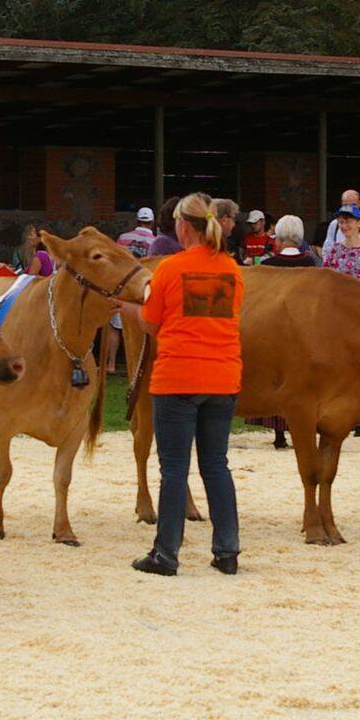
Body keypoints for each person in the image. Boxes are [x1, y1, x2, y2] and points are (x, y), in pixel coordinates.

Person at [118, 193, 243, 577]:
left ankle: (166, 553)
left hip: (178, 377)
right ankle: (227, 551)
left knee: (174, 468)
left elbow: (151, 324)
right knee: (216, 465)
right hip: (222, 377)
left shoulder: (170, 269)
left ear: (182, 226)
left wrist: (130, 308)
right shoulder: (232, 269)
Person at [247, 214, 313, 448]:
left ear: (279, 239)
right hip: (302, 333)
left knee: (275, 380)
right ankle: (298, 429)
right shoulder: (311, 265)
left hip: (272, 330)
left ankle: (278, 435)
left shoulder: (267, 266)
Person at [321, 204, 360, 283]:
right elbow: (326, 275)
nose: (344, 226)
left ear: (359, 223)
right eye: (341, 222)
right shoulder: (335, 249)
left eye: (348, 222)